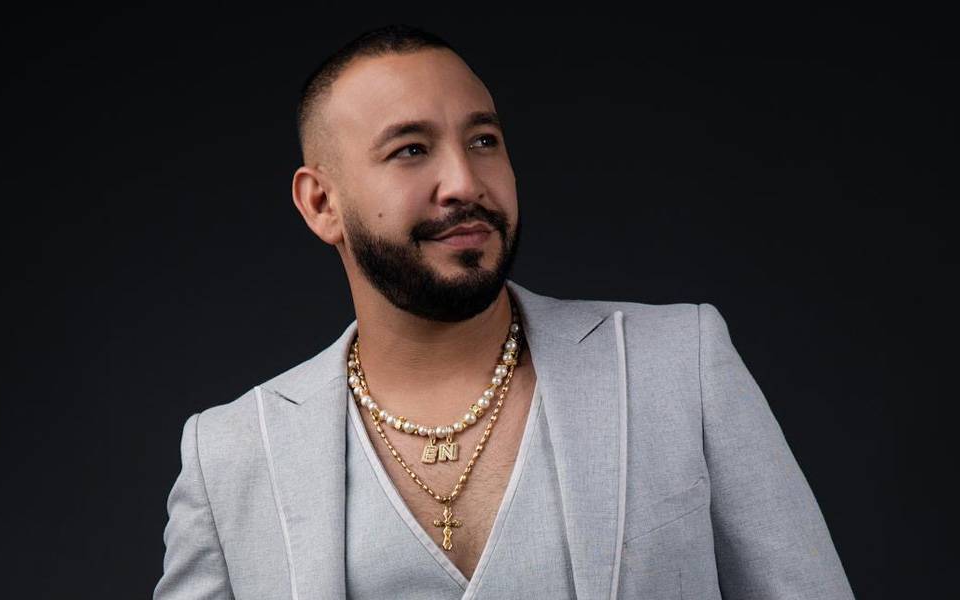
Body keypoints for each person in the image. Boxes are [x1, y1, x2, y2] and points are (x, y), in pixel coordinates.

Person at [152, 24, 855, 600]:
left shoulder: (680, 363)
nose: (464, 182)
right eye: (411, 150)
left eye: (483, 141)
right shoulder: (232, 456)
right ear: (321, 204)